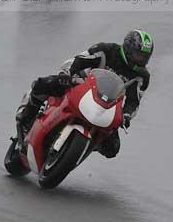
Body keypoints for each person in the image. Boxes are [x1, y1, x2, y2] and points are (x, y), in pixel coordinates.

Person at [15, 30, 154, 159]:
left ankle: (87, 144)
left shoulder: (142, 76)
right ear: (128, 49)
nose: (141, 60)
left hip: (107, 105)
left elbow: (134, 101)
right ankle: (26, 118)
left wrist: (126, 115)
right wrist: (67, 74)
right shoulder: (106, 50)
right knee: (43, 84)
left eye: (145, 57)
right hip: (80, 85)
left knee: (112, 148)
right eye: (139, 55)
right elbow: (79, 59)